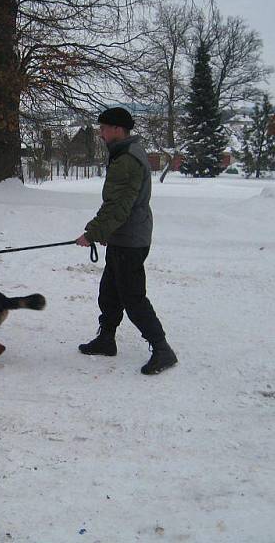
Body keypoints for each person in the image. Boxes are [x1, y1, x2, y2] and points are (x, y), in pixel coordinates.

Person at [76, 107, 178, 375]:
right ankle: (106, 339)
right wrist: (105, 231)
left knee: (133, 297)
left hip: (131, 238)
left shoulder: (127, 160)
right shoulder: (124, 153)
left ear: (118, 130)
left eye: (104, 128)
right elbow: (117, 205)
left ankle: (162, 349)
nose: (101, 133)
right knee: (110, 291)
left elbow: (118, 205)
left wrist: (94, 232)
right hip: (125, 234)